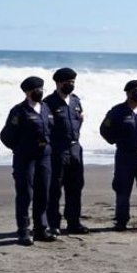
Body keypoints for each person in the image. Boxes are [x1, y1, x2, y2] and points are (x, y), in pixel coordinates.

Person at [0, 76, 56, 246]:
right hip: (25, 158)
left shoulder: (46, 108)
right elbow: (6, 136)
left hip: (44, 157)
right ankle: (23, 231)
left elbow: (50, 129)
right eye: (34, 90)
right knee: (25, 195)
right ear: (27, 92)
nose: (39, 92)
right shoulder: (19, 111)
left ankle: (41, 229)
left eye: (41, 88)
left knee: (43, 193)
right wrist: (20, 149)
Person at [99, 80, 137, 231]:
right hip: (125, 157)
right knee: (122, 189)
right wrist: (115, 141)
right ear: (128, 93)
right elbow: (105, 130)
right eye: (135, 90)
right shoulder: (117, 111)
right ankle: (121, 221)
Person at [44, 67, 89, 235]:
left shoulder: (76, 101)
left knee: (75, 187)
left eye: (73, 82)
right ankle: (53, 224)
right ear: (57, 83)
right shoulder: (49, 103)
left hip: (75, 149)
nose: (70, 85)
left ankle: (74, 222)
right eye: (67, 82)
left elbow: (79, 121)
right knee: (54, 189)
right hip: (57, 150)